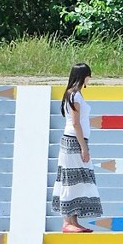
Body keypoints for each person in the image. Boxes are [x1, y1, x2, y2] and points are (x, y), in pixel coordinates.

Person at [51, 62, 103, 231]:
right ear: (84, 76)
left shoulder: (74, 94)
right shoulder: (75, 96)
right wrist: (83, 147)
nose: (89, 79)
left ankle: (73, 221)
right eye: (88, 76)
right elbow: (75, 123)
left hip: (75, 141)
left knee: (77, 180)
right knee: (72, 180)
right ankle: (67, 221)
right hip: (74, 141)